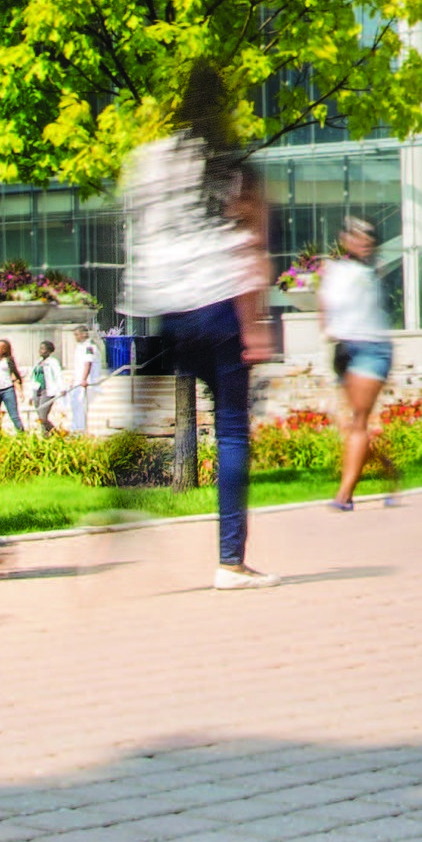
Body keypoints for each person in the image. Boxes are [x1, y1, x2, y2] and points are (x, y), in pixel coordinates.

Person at [120, 60, 276, 589]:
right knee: (231, 430)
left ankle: (121, 507)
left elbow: (139, 233)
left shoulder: (151, 160)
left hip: (170, 309)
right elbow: (251, 248)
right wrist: (256, 325)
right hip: (222, 306)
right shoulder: (235, 167)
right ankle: (230, 561)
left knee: (144, 416)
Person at [319, 218, 396, 510]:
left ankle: (345, 495)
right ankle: (390, 473)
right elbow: (324, 306)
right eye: (357, 235)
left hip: (372, 349)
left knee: (359, 422)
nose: (364, 240)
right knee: (352, 427)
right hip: (343, 349)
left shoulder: (374, 271)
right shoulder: (333, 270)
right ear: (345, 239)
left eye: (369, 236)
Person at [66, 324, 99, 433]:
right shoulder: (80, 347)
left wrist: (84, 379)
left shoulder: (89, 347)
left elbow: (88, 363)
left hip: (84, 382)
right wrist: (74, 379)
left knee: (80, 405)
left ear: (84, 334)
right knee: (75, 404)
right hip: (78, 380)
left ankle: (80, 429)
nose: (76, 337)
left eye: (77, 335)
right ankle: (75, 427)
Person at [29, 339, 65, 433]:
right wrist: (31, 395)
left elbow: (58, 375)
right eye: (40, 348)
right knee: (40, 417)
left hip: (47, 391)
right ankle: (47, 434)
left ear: (49, 351)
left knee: (42, 416)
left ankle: (55, 433)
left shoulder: (53, 362)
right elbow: (33, 377)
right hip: (37, 390)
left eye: (43, 349)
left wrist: (62, 388)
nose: (41, 351)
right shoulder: (38, 362)